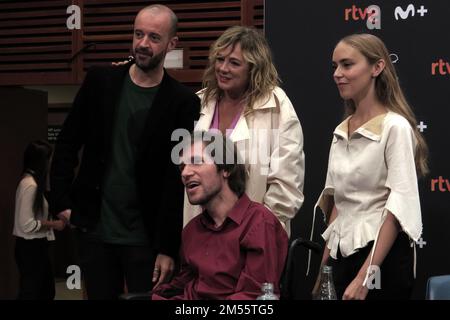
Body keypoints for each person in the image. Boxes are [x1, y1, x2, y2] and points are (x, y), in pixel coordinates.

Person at [49, 4, 200, 299]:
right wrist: (62, 203)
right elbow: (67, 143)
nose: (143, 44)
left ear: (172, 44)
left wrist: (168, 247)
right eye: (138, 34)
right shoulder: (100, 81)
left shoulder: (182, 102)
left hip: (145, 238)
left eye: (154, 38)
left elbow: (175, 179)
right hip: (95, 229)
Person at [311, 33, 428, 300]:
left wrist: (366, 277)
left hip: (382, 261)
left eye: (347, 64)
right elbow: (339, 205)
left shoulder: (395, 127)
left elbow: (397, 208)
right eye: (335, 66)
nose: (337, 74)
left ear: (377, 67)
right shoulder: (341, 131)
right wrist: (323, 272)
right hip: (342, 256)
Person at [184, 26, 305, 237]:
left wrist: (254, 230)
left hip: (254, 237)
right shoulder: (199, 102)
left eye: (234, 63)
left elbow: (287, 185)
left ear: (253, 68)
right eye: (220, 59)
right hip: (200, 235)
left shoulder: (277, 105)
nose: (223, 68)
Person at [152, 131, 288, 300]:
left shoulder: (258, 222)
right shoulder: (191, 231)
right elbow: (183, 285)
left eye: (196, 162)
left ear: (225, 169)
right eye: (182, 167)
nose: (185, 173)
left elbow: (254, 296)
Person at [13, 140, 66, 300]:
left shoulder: (31, 183)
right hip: (31, 248)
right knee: (33, 292)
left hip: (35, 247)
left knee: (44, 291)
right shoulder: (30, 186)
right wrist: (54, 224)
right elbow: (27, 224)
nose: (50, 163)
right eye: (48, 159)